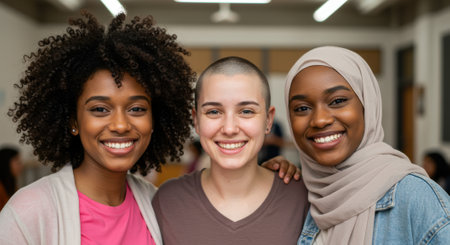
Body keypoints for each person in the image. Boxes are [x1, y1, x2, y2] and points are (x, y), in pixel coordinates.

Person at [0, 11, 196, 245]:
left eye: (137, 109)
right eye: (100, 109)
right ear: (73, 121)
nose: (121, 125)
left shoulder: (158, 205)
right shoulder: (30, 211)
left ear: (155, 119)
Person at [285, 46, 450, 244]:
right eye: (302, 108)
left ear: (367, 106)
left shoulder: (417, 199)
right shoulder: (295, 196)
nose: (320, 120)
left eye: (337, 101)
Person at [152, 56, 309, 245]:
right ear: (196, 121)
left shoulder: (302, 197)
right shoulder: (168, 200)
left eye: (246, 111)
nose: (229, 128)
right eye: (214, 112)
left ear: (268, 120)